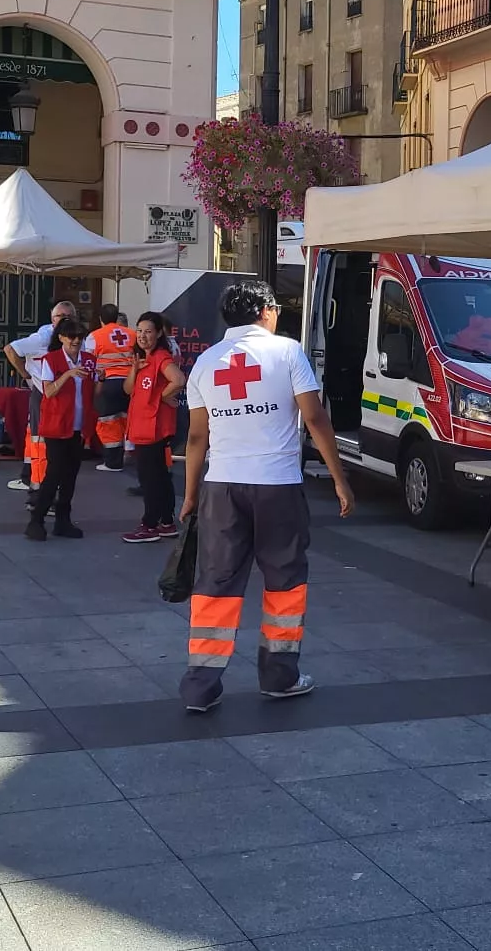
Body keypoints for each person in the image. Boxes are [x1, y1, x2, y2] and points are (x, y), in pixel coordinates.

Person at [178, 279, 355, 714]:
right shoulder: (288, 351)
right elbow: (314, 417)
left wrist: (189, 495)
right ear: (266, 311)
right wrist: (339, 478)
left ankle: (200, 686)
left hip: (221, 487)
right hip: (277, 485)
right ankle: (280, 677)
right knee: (285, 583)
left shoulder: (204, 362)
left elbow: (197, 437)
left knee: (216, 584)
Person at [123, 312, 187, 543]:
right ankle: (166, 522)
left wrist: (161, 397)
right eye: (139, 331)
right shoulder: (141, 358)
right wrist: (134, 369)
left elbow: (178, 380)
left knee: (151, 478)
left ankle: (150, 524)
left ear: (159, 333)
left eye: (148, 331)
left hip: (153, 427)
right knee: (158, 476)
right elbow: (128, 390)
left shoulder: (160, 356)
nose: (142, 336)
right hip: (141, 427)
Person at [24, 318, 88, 540]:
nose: (76, 340)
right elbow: (49, 391)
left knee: (71, 476)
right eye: (72, 336)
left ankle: (63, 520)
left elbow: (93, 388)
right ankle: (37, 520)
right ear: (61, 337)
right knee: (54, 474)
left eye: (80, 336)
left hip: (78, 426)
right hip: (57, 425)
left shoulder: (88, 360)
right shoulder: (51, 360)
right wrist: (68, 375)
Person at [5, 301, 78, 492]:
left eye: (69, 316)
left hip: (68, 397)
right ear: (52, 319)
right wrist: (26, 374)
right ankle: (37, 483)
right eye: (60, 316)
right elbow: (10, 349)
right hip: (46, 393)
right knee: (41, 440)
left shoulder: (78, 338)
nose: (65, 320)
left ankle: (36, 479)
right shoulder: (42, 338)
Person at [84, 304, 137, 472]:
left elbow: (89, 360)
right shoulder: (132, 334)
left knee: (108, 422)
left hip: (107, 382)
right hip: (130, 382)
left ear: (100, 319)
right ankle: (127, 453)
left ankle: (112, 462)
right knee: (126, 419)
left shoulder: (94, 336)